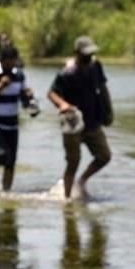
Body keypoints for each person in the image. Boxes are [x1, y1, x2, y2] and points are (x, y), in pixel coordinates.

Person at [47, 35, 114, 200]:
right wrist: (62, 104)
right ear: (76, 53)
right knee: (73, 162)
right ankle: (67, 199)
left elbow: (103, 89)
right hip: (73, 122)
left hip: (92, 121)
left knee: (104, 156)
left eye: (90, 55)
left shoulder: (96, 66)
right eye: (85, 55)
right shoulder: (66, 73)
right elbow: (51, 93)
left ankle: (82, 181)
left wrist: (109, 111)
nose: (88, 58)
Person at [0, 44, 36, 191]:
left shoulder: (19, 75)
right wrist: (0, 85)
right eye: (7, 63)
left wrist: (29, 99)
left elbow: (23, 98)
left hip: (12, 123)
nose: (10, 66)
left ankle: (6, 193)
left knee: (11, 162)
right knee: (3, 155)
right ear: (1, 61)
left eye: (13, 62)